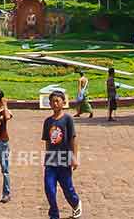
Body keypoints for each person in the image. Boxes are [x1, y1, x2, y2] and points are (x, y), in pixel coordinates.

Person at [42, 90, 82, 219]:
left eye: (57, 101)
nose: (54, 103)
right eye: (52, 101)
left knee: (68, 189)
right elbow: (47, 141)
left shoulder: (68, 119)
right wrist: (47, 157)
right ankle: (54, 214)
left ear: (63, 103)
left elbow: (73, 139)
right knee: (49, 189)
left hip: (64, 160)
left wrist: (74, 158)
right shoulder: (47, 121)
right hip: (51, 161)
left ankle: (76, 204)